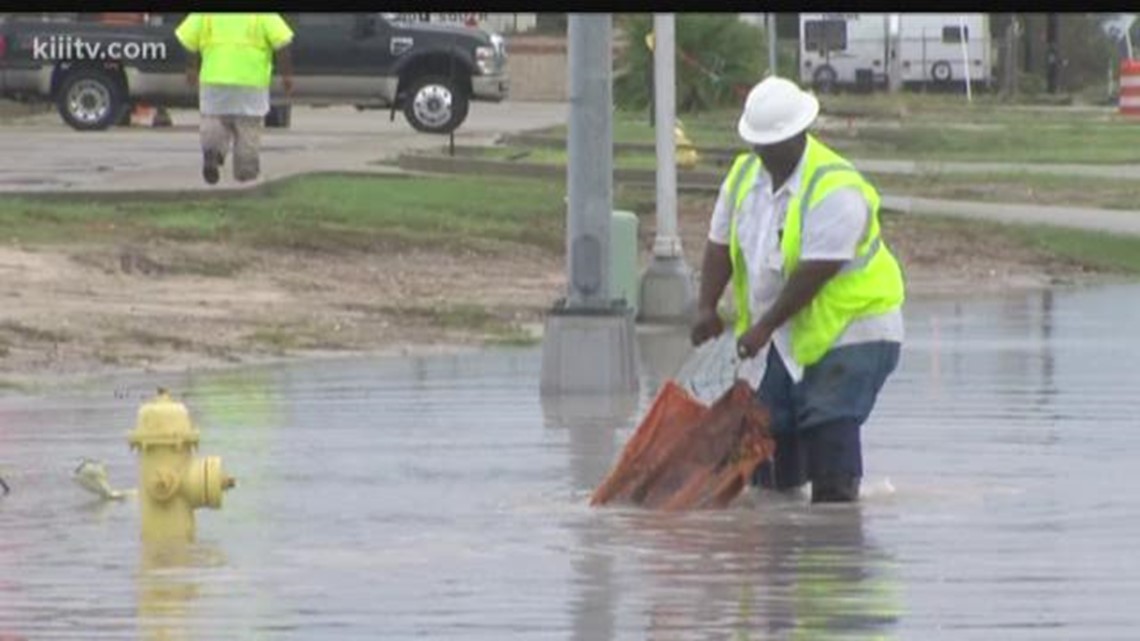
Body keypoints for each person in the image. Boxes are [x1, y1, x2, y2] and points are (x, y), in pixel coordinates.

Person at [689, 76, 906, 504]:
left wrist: (764, 327)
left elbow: (815, 271)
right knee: (770, 428)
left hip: (855, 327)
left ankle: (836, 516)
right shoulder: (743, 177)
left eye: (772, 144)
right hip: (791, 333)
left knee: (828, 419)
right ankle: (783, 521)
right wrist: (706, 306)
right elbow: (719, 245)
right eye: (758, 144)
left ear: (799, 135)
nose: (764, 153)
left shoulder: (836, 189)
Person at [174, 13, 295, 185]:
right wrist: (286, 75)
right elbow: (283, 43)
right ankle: (246, 170)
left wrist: (191, 68)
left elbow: (188, 41)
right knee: (248, 127)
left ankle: (213, 151)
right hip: (251, 82)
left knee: (214, 119)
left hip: (214, 79)